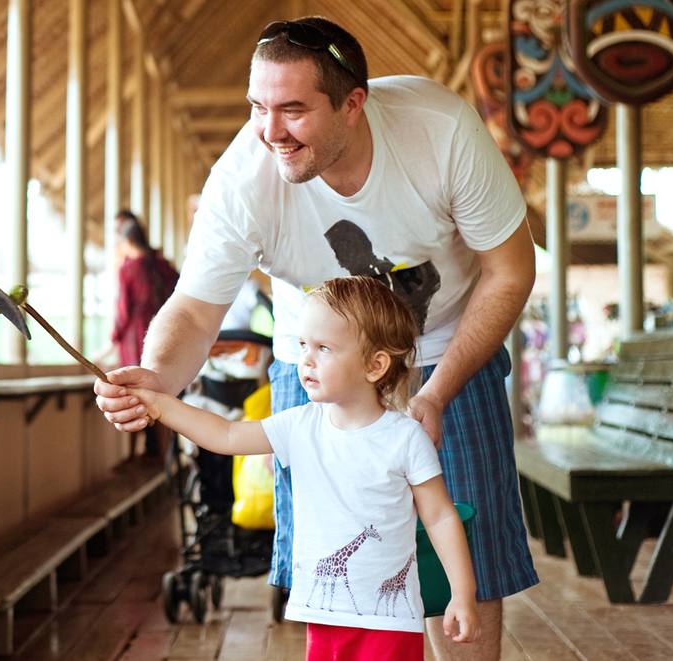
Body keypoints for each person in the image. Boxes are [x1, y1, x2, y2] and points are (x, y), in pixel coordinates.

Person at [94, 17, 536, 660]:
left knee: (466, 551)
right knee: (334, 560)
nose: (270, 131)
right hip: (318, 368)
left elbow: (510, 270)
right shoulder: (244, 180)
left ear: (353, 104)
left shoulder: (439, 131)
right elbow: (193, 309)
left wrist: (435, 395)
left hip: (447, 346)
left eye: (294, 110)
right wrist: (157, 379)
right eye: (258, 107)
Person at [126, 277, 479, 659]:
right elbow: (225, 435)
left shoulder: (406, 438)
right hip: (322, 614)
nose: (306, 360)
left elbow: (441, 518)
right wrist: (159, 404)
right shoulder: (298, 425)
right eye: (302, 346)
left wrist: (463, 594)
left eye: (323, 348)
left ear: (375, 365)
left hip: (389, 621)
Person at [110, 213, 178, 457]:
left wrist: (114, 337)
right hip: (163, 338)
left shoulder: (128, 269)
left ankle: (134, 456)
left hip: (133, 343)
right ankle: (163, 457)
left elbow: (122, 311)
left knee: (129, 396)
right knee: (159, 396)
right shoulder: (162, 266)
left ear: (126, 242)